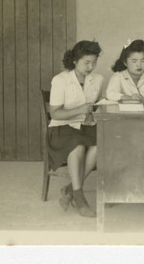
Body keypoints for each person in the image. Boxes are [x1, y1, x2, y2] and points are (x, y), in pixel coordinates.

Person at [47, 40, 103, 218]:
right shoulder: (60, 80)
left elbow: (97, 105)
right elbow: (55, 114)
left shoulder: (98, 79)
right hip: (62, 128)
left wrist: (95, 111)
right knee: (77, 145)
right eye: (86, 62)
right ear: (74, 61)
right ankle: (79, 198)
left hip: (85, 126)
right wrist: (78, 110)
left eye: (94, 62)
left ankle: (70, 189)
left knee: (99, 146)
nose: (90, 66)